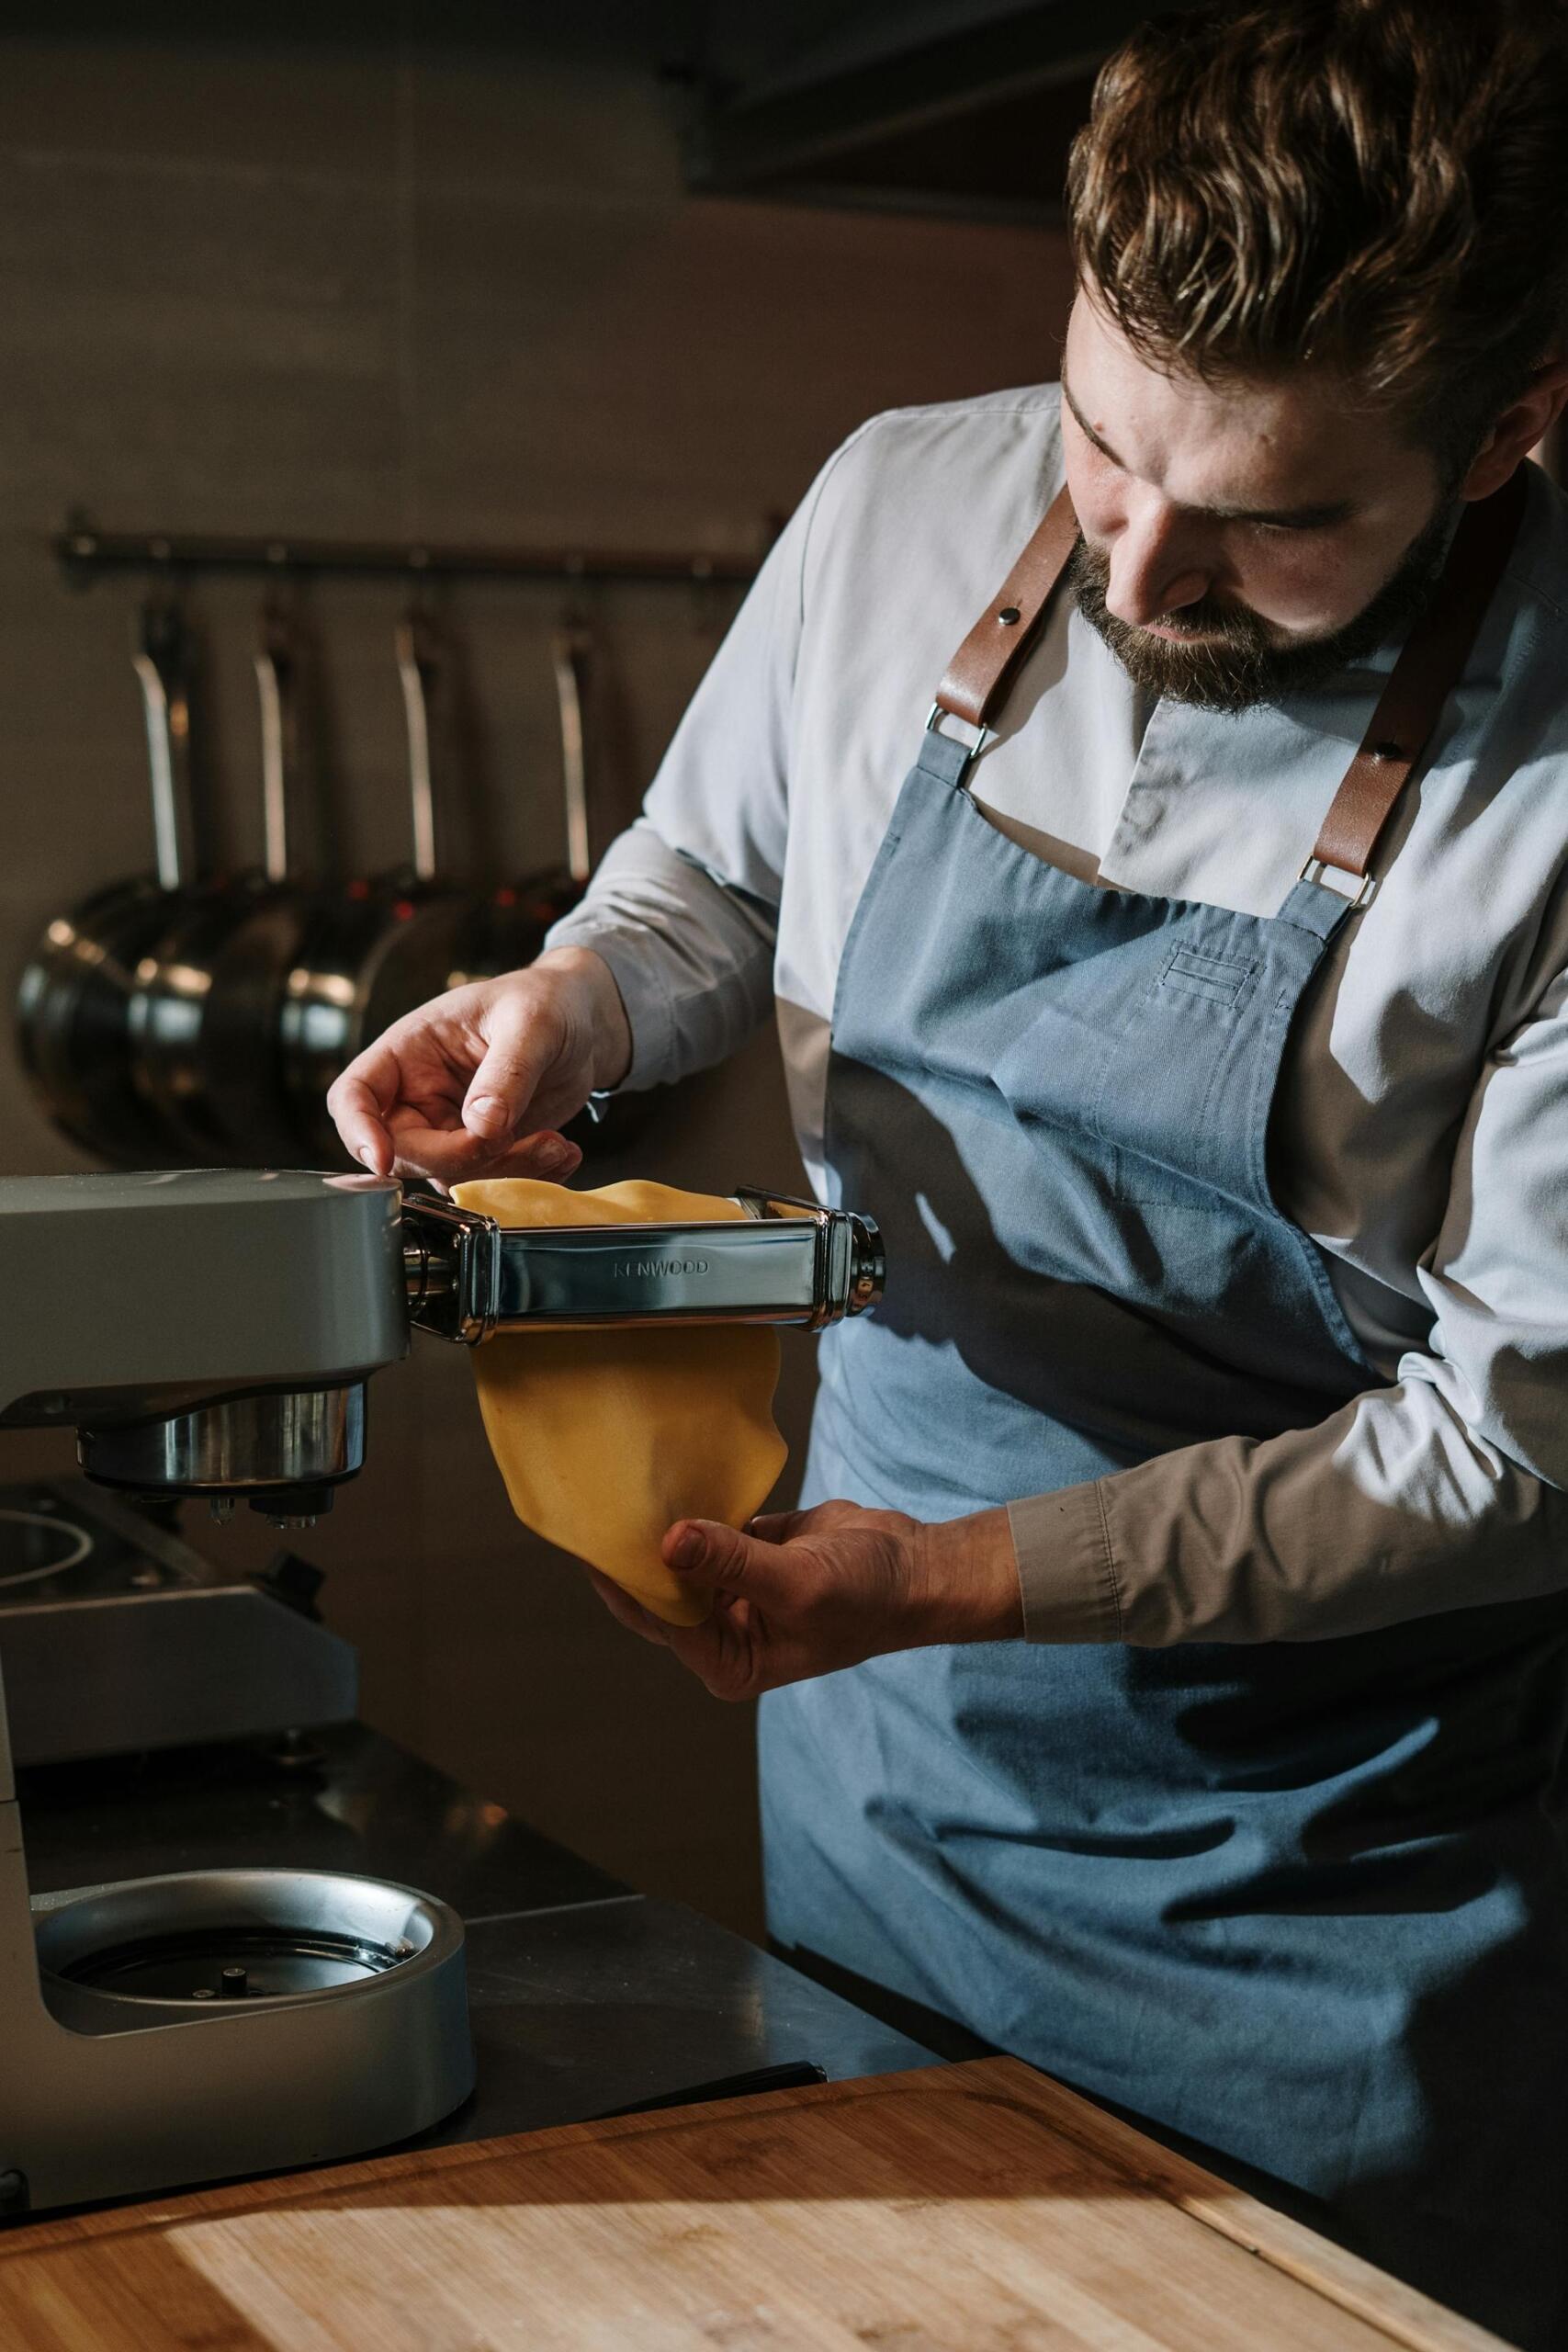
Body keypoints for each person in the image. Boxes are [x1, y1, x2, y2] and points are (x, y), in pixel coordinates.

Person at [330, 4, 1568, 2339]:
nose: (1141, 562)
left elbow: (1511, 1447)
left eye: (1273, 519)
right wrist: (571, 1003)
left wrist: (949, 1575)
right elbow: (702, 875)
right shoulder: (904, 492)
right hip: (877, 1779)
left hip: (1328, 1896)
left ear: (1508, 422)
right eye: (1103, 446)